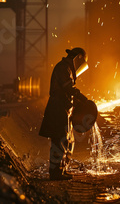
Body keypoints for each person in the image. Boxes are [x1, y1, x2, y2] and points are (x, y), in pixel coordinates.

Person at [39, 47, 88, 180]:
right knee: (59, 140)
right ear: (78, 58)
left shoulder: (67, 69)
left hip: (64, 109)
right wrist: (82, 98)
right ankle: (55, 172)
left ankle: (62, 168)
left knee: (68, 140)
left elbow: (69, 91)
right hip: (58, 108)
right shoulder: (63, 68)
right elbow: (68, 87)